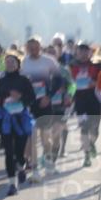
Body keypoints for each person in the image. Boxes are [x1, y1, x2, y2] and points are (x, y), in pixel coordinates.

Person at [20, 36, 64, 181]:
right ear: (27, 48)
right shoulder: (23, 63)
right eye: (30, 47)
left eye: (36, 46)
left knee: (46, 137)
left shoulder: (49, 61)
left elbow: (58, 79)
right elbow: (19, 83)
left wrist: (49, 96)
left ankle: (49, 163)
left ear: (40, 46)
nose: (33, 49)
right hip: (30, 105)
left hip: (45, 103)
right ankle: (35, 169)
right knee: (32, 137)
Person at [0, 52, 36, 195]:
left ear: (18, 64)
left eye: (12, 62)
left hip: (21, 120)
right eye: (7, 62)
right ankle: (12, 184)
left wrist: (20, 97)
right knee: (8, 153)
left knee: (19, 152)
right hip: (6, 121)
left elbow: (32, 98)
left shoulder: (24, 80)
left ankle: (21, 166)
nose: (10, 64)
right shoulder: (1, 81)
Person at [68, 42, 101, 167]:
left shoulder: (97, 66)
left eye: (85, 52)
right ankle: (86, 156)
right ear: (76, 53)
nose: (83, 55)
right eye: (80, 52)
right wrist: (70, 95)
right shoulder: (71, 67)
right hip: (80, 101)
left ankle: (92, 144)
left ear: (90, 53)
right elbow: (68, 84)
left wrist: (96, 83)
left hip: (94, 100)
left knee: (95, 130)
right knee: (84, 128)